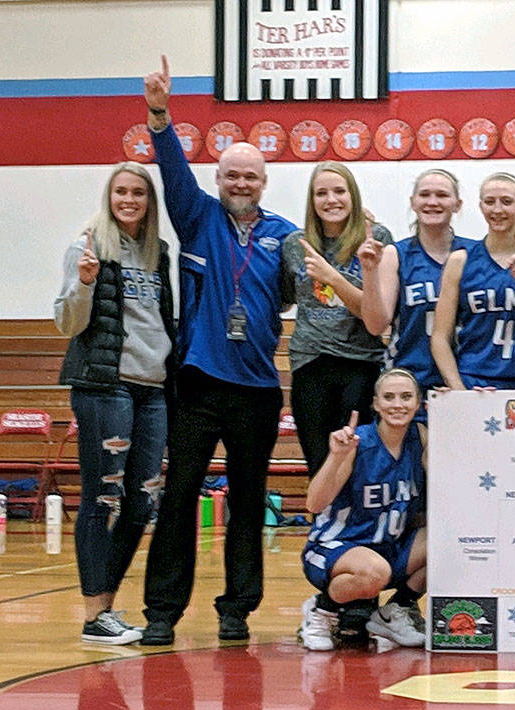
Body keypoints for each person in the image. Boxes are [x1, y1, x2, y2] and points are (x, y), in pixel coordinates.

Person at [139, 56, 297, 646]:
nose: (240, 184)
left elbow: (314, 283)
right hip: (199, 383)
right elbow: (172, 168)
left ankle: (237, 608)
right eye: (231, 175)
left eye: (250, 177)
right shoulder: (196, 217)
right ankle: (162, 611)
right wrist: (160, 114)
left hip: (257, 390)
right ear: (219, 179)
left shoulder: (284, 234)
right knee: (179, 495)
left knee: (249, 502)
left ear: (263, 181)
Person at [54, 162, 174, 645]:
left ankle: (106, 607)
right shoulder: (87, 246)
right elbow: (67, 322)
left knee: (143, 501)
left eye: (138, 193)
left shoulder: (158, 253)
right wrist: (84, 283)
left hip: (153, 390)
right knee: (103, 496)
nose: (129, 200)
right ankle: (93, 613)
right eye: (121, 191)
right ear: (110, 197)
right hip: (106, 386)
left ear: (149, 201)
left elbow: (163, 320)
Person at [299, 368, 428, 651]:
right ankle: (321, 611)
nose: (398, 404)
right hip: (337, 546)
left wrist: (454, 406)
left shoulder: (420, 437)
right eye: (389, 397)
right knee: (374, 572)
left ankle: (395, 610)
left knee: (453, 541)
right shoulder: (358, 442)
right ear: (376, 403)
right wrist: (335, 457)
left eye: (406, 397)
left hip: (386, 547)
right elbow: (314, 504)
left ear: (418, 404)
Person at [283, 162, 390, 476]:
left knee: (356, 464)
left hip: (361, 363)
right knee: (319, 464)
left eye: (339, 191)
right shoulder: (294, 245)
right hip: (309, 363)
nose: (331, 199)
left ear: (353, 196)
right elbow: (286, 297)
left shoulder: (376, 238)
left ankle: (357, 527)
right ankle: (323, 526)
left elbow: (375, 316)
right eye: (321, 193)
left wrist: (333, 278)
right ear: (312, 201)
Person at [431, 173, 515, 389]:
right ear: (481, 206)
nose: (497, 210)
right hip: (474, 381)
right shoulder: (460, 260)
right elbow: (440, 337)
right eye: (490, 202)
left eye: (506, 202)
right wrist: (459, 390)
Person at [361, 169, 476, 395]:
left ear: (457, 204)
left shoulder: (474, 255)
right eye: (424, 195)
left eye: (442, 195)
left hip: (465, 379)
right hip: (409, 380)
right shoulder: (396, 254)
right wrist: (369, 272)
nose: (432, 202)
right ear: (413, 202)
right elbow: (376, 326)